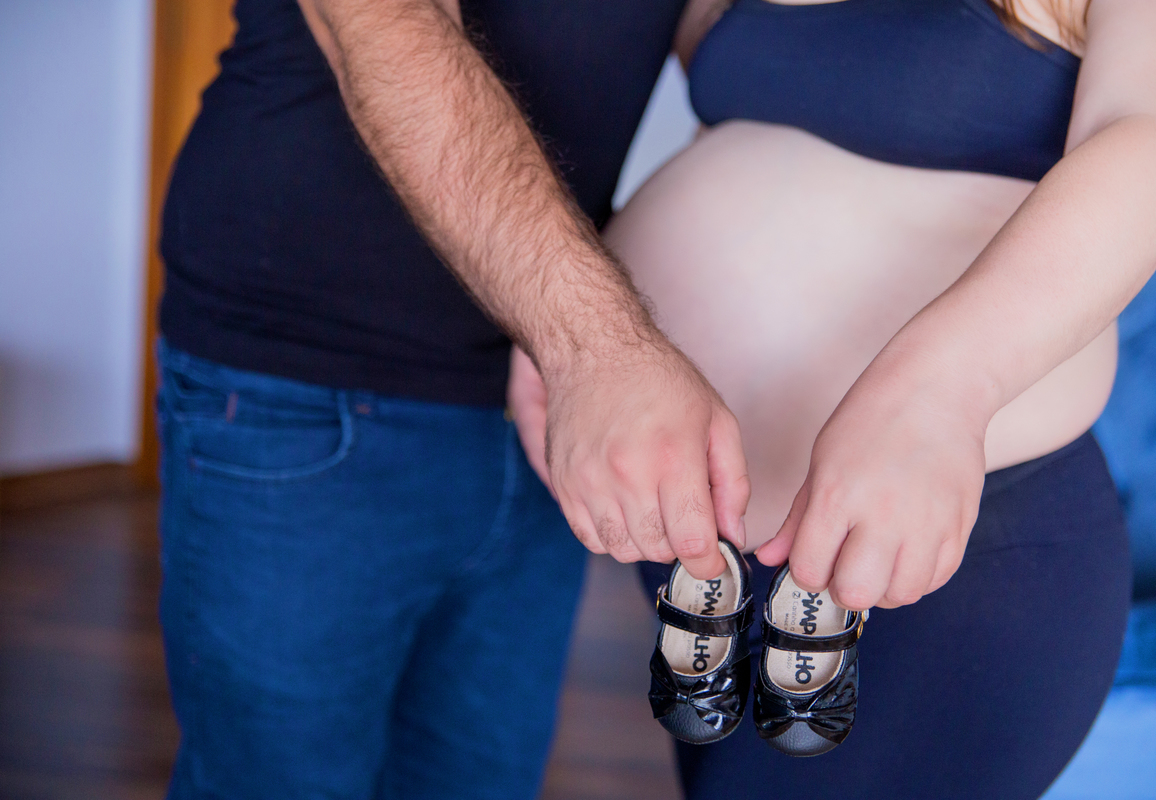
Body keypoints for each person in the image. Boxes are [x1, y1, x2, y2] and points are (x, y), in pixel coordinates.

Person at [507, 0, 1156, 797]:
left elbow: (1155, 146)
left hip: (954, 547)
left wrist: (935, 395)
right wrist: (569, 327)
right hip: (710, 555)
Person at [153, 0, 753, 797]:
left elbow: (739, 53)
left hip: (539, 392)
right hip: (304, 379)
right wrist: (595, 342)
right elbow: (385, 27)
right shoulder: (585, 343)